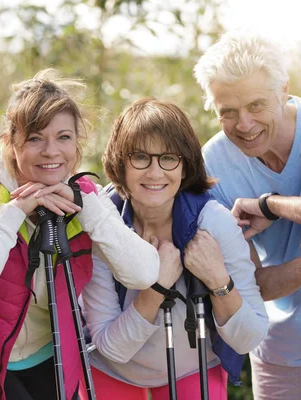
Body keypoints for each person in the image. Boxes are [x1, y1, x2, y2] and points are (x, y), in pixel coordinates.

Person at [0, 69, 161, 400]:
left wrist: (89, 210)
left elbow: (144, 273)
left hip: (49, 350)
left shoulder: (85, 195)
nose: (52, 151)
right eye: (36, 138)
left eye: (64, 137)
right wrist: (15, 212)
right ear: (10, 141)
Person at [196, 31, 301, 400]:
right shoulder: (214, 164)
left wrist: (271, 204)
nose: (245, 125)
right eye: (228, 112)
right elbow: (254, 283)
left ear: (283, 90)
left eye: (256, 105)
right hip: (281, 353)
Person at [81, 98, 268, 400]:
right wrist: (156, 288)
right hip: (113, 371)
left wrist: (218, 279)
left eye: (168, 158)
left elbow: (249, 338)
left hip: (193, 369)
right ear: (120, 163)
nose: (155, 172)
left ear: (185, 165)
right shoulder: (104, 224)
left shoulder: (214, 223)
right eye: (140, 157)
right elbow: (112, 348)